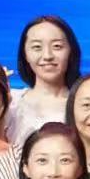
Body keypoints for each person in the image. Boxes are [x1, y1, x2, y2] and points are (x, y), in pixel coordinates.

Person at [7, 15, 82, 146]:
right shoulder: (12, 103)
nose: (47, 56)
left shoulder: (84, 104)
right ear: (25, 54)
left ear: (71, 51)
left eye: (57, 46)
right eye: (37, 47)